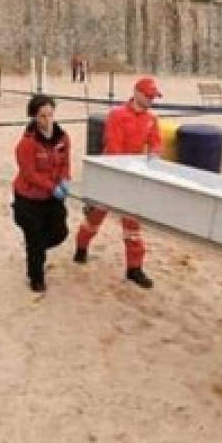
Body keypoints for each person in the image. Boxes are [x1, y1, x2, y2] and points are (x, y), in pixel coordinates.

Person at [73, 76, 162, 288]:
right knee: (95, 218)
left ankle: (134, 268)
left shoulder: (152, 119)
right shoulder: (117, 115)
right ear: (137, 93)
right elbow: (114, 148)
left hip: (133, 176)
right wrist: (127, 171)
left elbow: (156, 145)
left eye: (153, 96)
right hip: (112, 174)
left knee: (132, 225)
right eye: (148, 95)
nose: (151, 99)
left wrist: (153, 161)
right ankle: (81, 248)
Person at [12, 94, 72, 293]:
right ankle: (36, 276)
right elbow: (29, 174)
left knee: (60, 232)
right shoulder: (26, 144)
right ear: (34, 117)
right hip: (29, 198)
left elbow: (65, 163)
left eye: (50, 115)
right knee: (35, 237)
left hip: (51, 198)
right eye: (42, 117)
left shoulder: (63, 138)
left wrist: (64, 179)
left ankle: (35, 248)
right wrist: (50, 186)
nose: (47, 121)